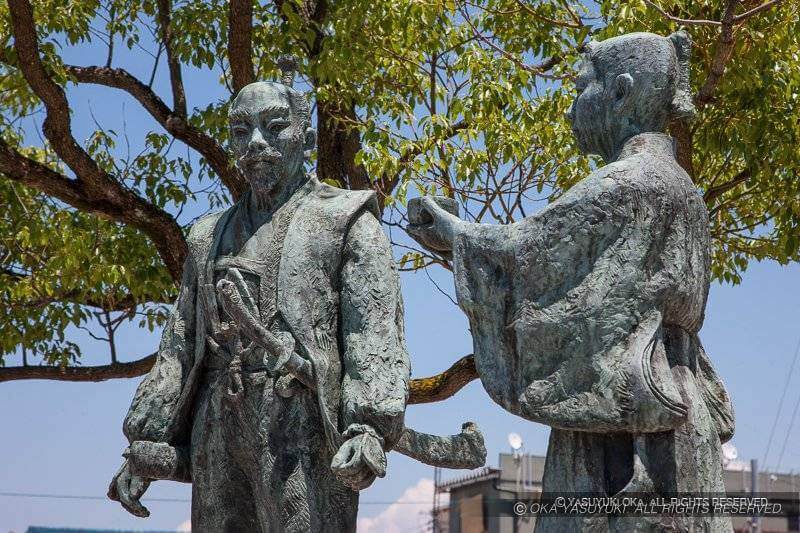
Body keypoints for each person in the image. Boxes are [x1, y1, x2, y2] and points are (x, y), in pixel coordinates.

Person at [408, 32, 734, 532]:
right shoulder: (682, 187)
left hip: (622, 426)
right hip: (675, 408)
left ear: (621, 91)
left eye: (582, 89)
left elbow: (526, 251)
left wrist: (454, 233)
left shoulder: (628, 183)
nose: (570, 109)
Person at [108, 59, 410, 532]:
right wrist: (145, 444)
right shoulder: (207, 235)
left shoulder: (349, 223)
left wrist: (368, 426)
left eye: (273, 128)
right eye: (241, 131)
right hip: (218, 428)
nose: (257, 145)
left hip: (303, 421)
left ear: (307, 139)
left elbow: (372, 335)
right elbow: (180, 345)